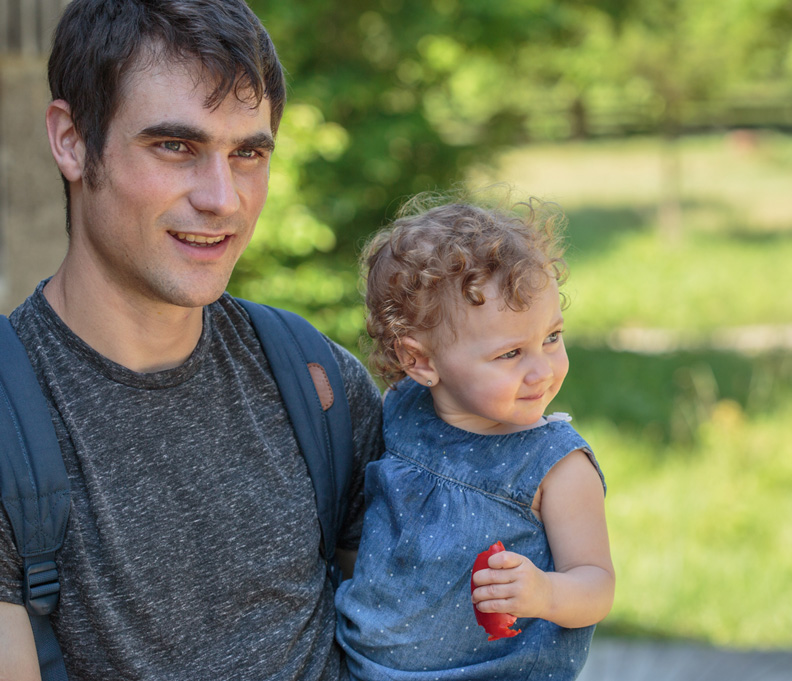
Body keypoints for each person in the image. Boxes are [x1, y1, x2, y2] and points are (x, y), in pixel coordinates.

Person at [0, 1, 383, 679]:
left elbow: (406, 641)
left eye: (248, 153)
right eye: (175, 146)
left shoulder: (320, 384)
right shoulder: (10, 423)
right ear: (70, 140)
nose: (223, 198)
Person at [335, 194, 615, 680]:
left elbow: (596, 585)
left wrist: (544, 593)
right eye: (510, 354)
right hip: (365, 666)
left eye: (551, 337)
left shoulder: (556, 465)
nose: (542, 371)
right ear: (419, 361)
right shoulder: (403, 411)